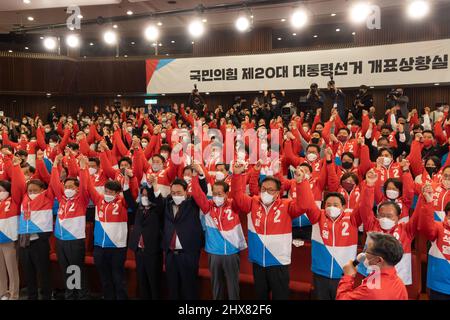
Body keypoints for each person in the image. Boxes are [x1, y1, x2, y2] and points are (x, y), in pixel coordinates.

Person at [231, 162, 306, 300]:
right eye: (264, 189)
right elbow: (237, 196)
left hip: (278, 262)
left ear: (278, 193)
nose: (266, 192)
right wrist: (236, 175)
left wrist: (301, 183)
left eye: (271, 190)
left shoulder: (287, 205)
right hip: (258, 262)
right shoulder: (253, 202)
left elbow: (303, 205)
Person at [190, 163, 246, 300]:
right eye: (214, 194)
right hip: (214, 253)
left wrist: (237, 175)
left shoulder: (234, 205)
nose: (216, 196)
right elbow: (197, 194)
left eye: (219, 194)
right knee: (216, 286)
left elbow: (238, 193)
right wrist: (194, 175)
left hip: (231, 253)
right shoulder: (208, 207)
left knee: (233, 287)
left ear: (227, 194)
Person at [81, 156, 134, 300]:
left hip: (117, 247)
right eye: (107, 191)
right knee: (105, 280)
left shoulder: (123, 202)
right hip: (100, 247)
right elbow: (88, 186)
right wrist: (84, 168)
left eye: (111, 192)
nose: (108, 194)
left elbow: (130, 198)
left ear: (117, 193)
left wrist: (129, 181)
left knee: (118, 279)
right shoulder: (99, 200)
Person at [147, 176, 203, 300]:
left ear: (186, 191)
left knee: (189, 289)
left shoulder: (193, 203)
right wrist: (154, 185)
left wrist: (200, 175)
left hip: (188, 253)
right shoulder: (167, 203)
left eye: (179, 193)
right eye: (173, 193)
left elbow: (202, 190)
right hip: (170, 254)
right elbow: (155, 200)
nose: (175, 195)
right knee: (172, 288)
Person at [49, 153, 90, 300]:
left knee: (76, 269)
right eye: (66, 186)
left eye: (71, 187)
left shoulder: (82, 200)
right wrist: (55, 165)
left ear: (77, 189)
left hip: (75, 240)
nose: (67, 189)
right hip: (60, 240)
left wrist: (84, 168)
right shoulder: (62, 199)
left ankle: (81, 295)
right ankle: (70, 294)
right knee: (66, 269)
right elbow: (54, 184)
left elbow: (86, 186)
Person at [336, 232, 408, 300]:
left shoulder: (370, 289)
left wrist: (347, 277)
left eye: (367, 251)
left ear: (378, 260)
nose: (363, 254)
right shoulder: (400, 285)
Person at [128, 186, 163, 300]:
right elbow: (128, 199)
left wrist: (155, 186)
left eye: (147, 195)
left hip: (152, 252)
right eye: (142, 195)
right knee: (142, 281)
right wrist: (127, 183)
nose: (144, 197)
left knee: (154, 282)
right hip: (139, 252)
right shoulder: (138, 209)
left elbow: (160, 202)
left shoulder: (158, 210)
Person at [418, 183, 450, 300]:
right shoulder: (438, 227)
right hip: (439, 286)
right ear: (445, 215)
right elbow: (426, 226)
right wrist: (429, 203)